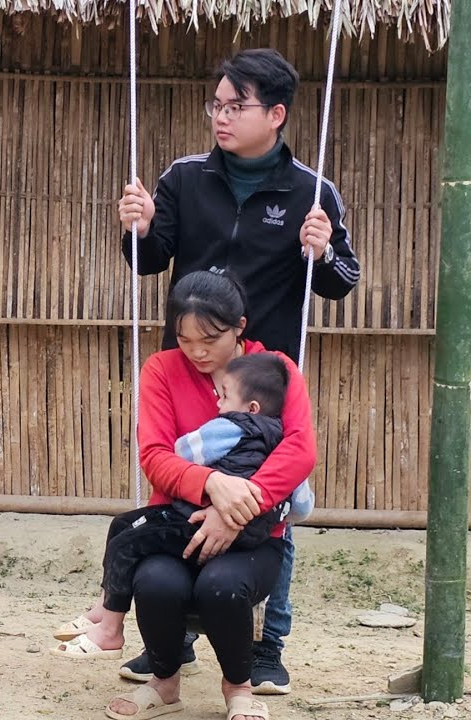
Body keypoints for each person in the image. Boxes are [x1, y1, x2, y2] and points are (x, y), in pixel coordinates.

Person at [116, 48, 360, 693]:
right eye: (216, 105)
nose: (220, 117)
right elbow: (150, 260)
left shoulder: (313, 192)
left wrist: (325, 248)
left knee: (266, 503)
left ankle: (268, 644)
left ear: (275, 114)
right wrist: (138, 229)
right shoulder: (185, 177)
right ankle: (174, 636)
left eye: (235, 106)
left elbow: (341, 283)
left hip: (262, 380)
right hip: (193, 361)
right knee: (187, 484)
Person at [102, 270, 315, 720]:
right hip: (176, 523)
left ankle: (238, 690)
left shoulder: (275, 369)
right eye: (184, 339)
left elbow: (300, 449)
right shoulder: (161, 368)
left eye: (210, 338)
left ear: (240, 326)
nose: (197, 351)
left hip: (255, 533)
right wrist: (211, 484)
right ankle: (164, 685)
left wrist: (238, 507)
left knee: (222, 587)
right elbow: (155, 455)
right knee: (156, 582)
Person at [52, 352, 290, 660]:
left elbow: (182, 452)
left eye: (225, 397)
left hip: (194, 522)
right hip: (247, 537)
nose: (218, 404)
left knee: (126, 541)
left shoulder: (230, 426)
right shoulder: (281, 439)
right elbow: (301, 504)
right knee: (125, 523)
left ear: (251, 408)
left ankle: (110, 628)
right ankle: (103, 605)